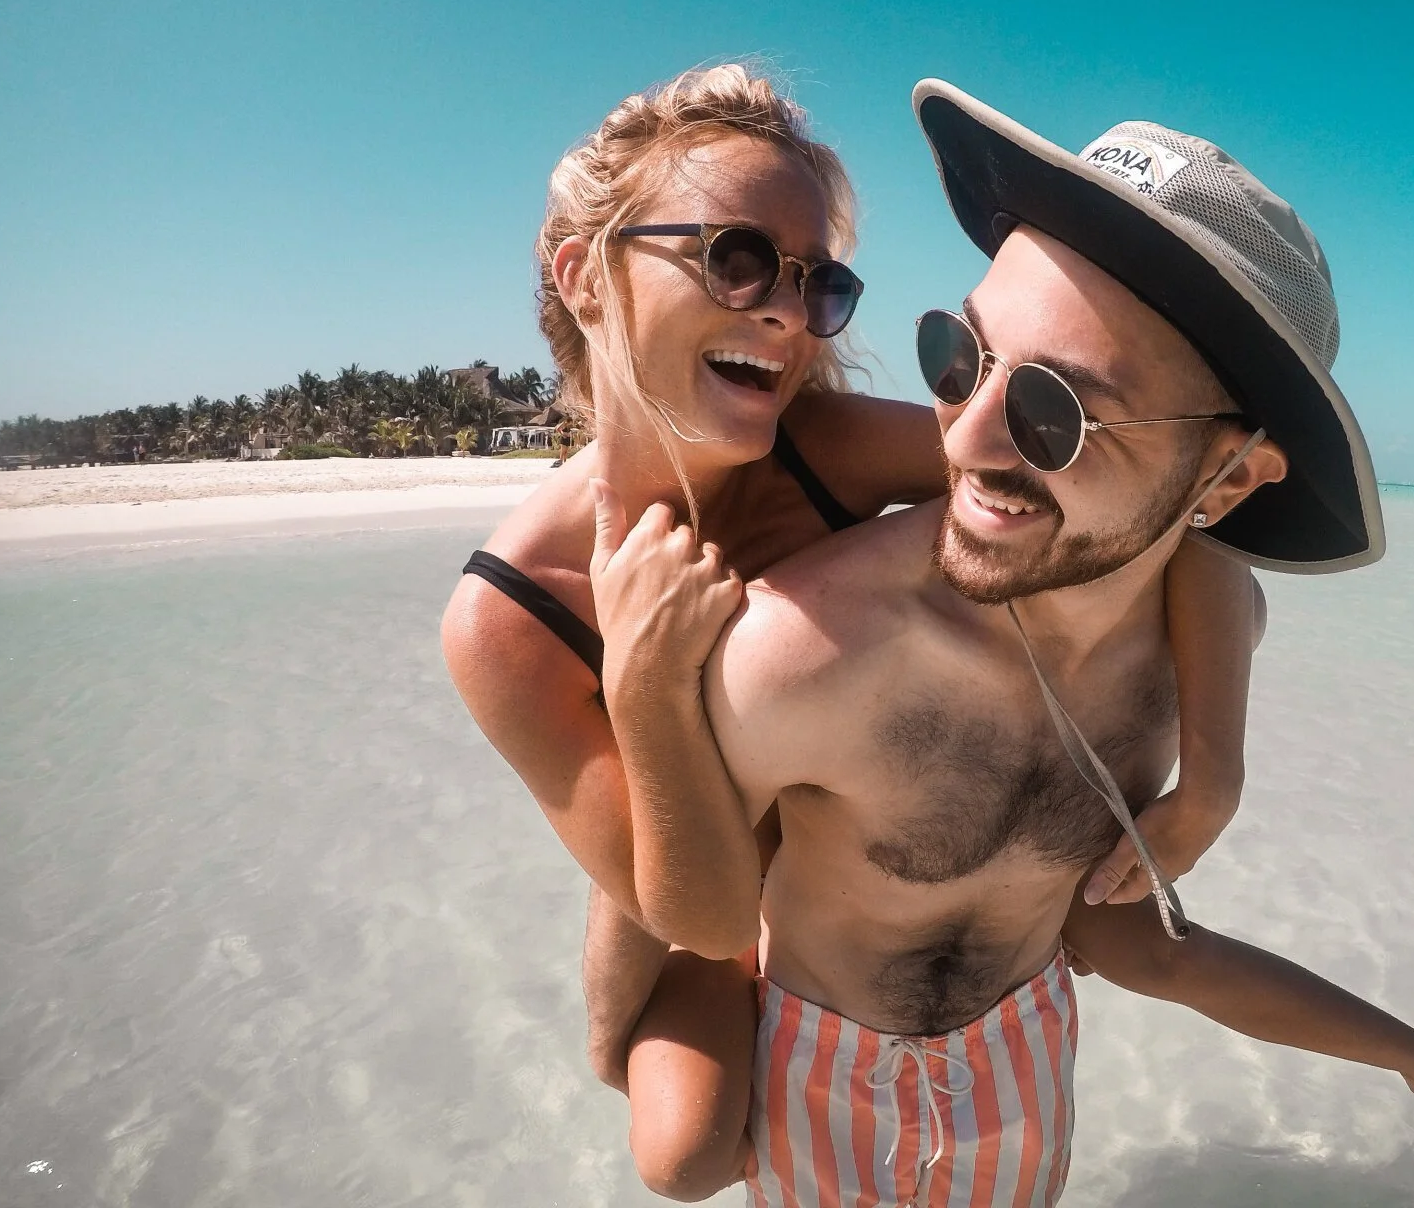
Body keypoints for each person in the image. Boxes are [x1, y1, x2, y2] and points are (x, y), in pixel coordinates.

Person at [570, 81, 1414, 1205]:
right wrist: (614, 1039)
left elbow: (1145, 944)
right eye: (958, 357)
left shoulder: (1195, 653)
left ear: (1233, 477)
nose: (965, 442)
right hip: (816, 1066)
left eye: (1057, 415)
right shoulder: (804, 652)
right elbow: (672, 898)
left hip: (1023, 1058)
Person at [443, 66, 1269, 1195]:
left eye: (818, 282)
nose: (786, 313)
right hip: (666, 866)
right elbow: (694, 906)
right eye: (735, 258)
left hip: (802, 848)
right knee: (682, 1154)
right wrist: (641, 681)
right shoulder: (510, 616)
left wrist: (1211, 780)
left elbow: (1161, 518)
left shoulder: (825, 448)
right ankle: (657, 1027)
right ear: (586, 275)